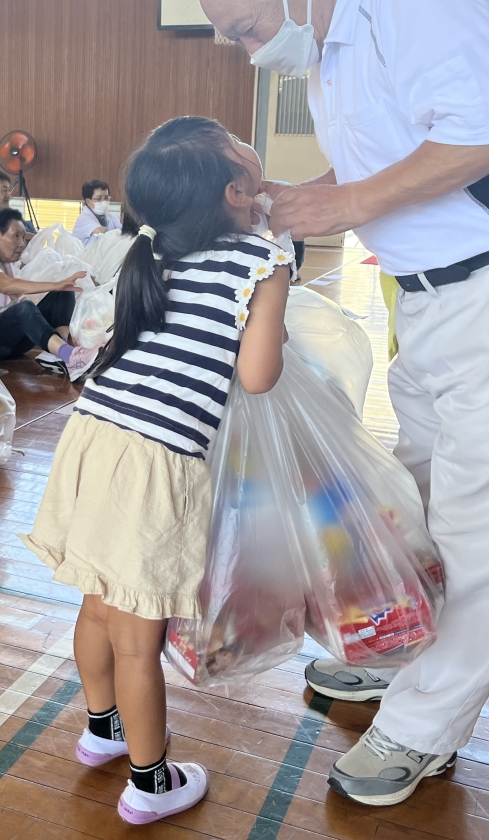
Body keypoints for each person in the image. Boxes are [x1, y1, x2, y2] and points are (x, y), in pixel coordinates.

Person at [195, 0, 489, 806]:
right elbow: (400, 157)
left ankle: (424, 726)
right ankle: (403, 645)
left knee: (486, 526)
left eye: (246, 27)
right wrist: (317, 194)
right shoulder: (333, 51)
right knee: (411, 499)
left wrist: (341, 209)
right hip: (434, 298)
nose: (245, 47)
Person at [22, 117, 292, 825]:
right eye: (237, 145)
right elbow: (259, 377)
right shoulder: (261, 261)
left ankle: (101, 729)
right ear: (237, 190)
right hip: (156, 460)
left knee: (97, 600)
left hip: (92, 437)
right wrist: (277, 299)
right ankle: (150, 782)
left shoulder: (154, 252)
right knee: (139, 637)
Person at [0, 207, 95, 378]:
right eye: (16, 236)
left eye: (23, 237)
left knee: (63, 291)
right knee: (24, 308)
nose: (22, 243)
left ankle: (60, 354)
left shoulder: (5, 262)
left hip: (6, 337)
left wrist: (58, 286)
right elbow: (6, 285)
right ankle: (69, 355)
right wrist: (55, 283)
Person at [72, 179, 121, 244]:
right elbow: (101, 232)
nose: (103, 202)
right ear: (88, 201)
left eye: (106, 198)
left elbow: (126, 229)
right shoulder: (84, 218)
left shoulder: (109, 217)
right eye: (99, 198)